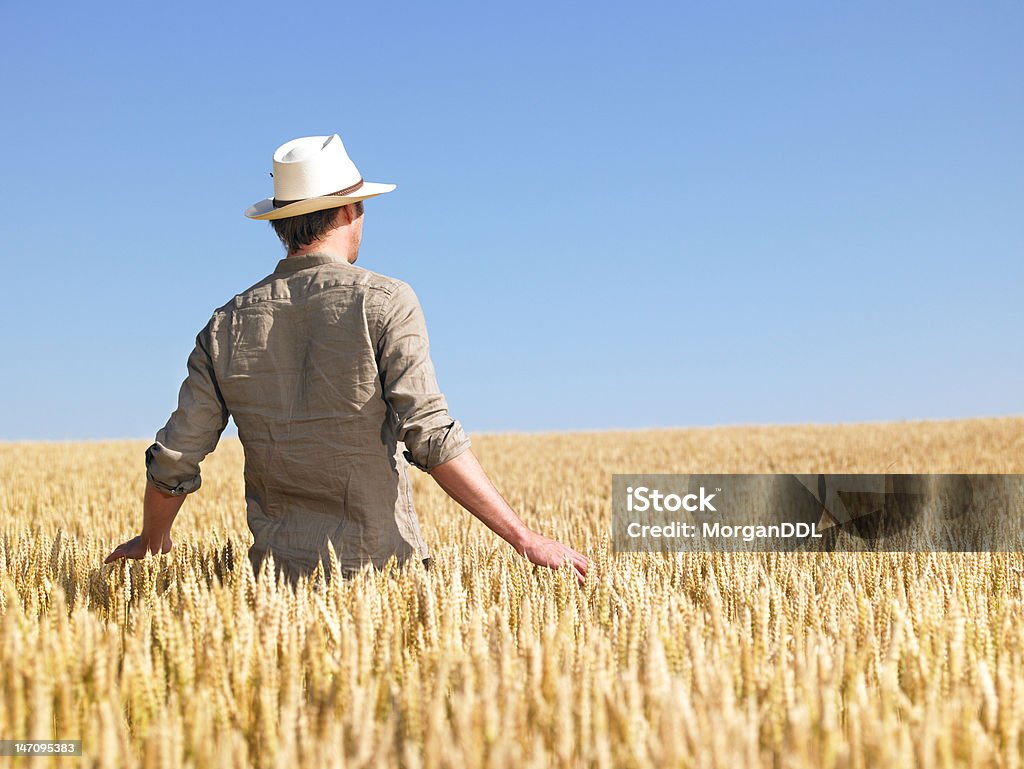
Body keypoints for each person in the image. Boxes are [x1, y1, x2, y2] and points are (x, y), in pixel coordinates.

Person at [105, 133, 588, 585]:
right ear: (349, 211)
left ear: (281, 225)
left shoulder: (226, 323)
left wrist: (153, 540)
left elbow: (176, 455)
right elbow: (430, 434)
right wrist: (525, 540)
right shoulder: (384, 300)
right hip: (381, 577)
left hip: (274, 588)